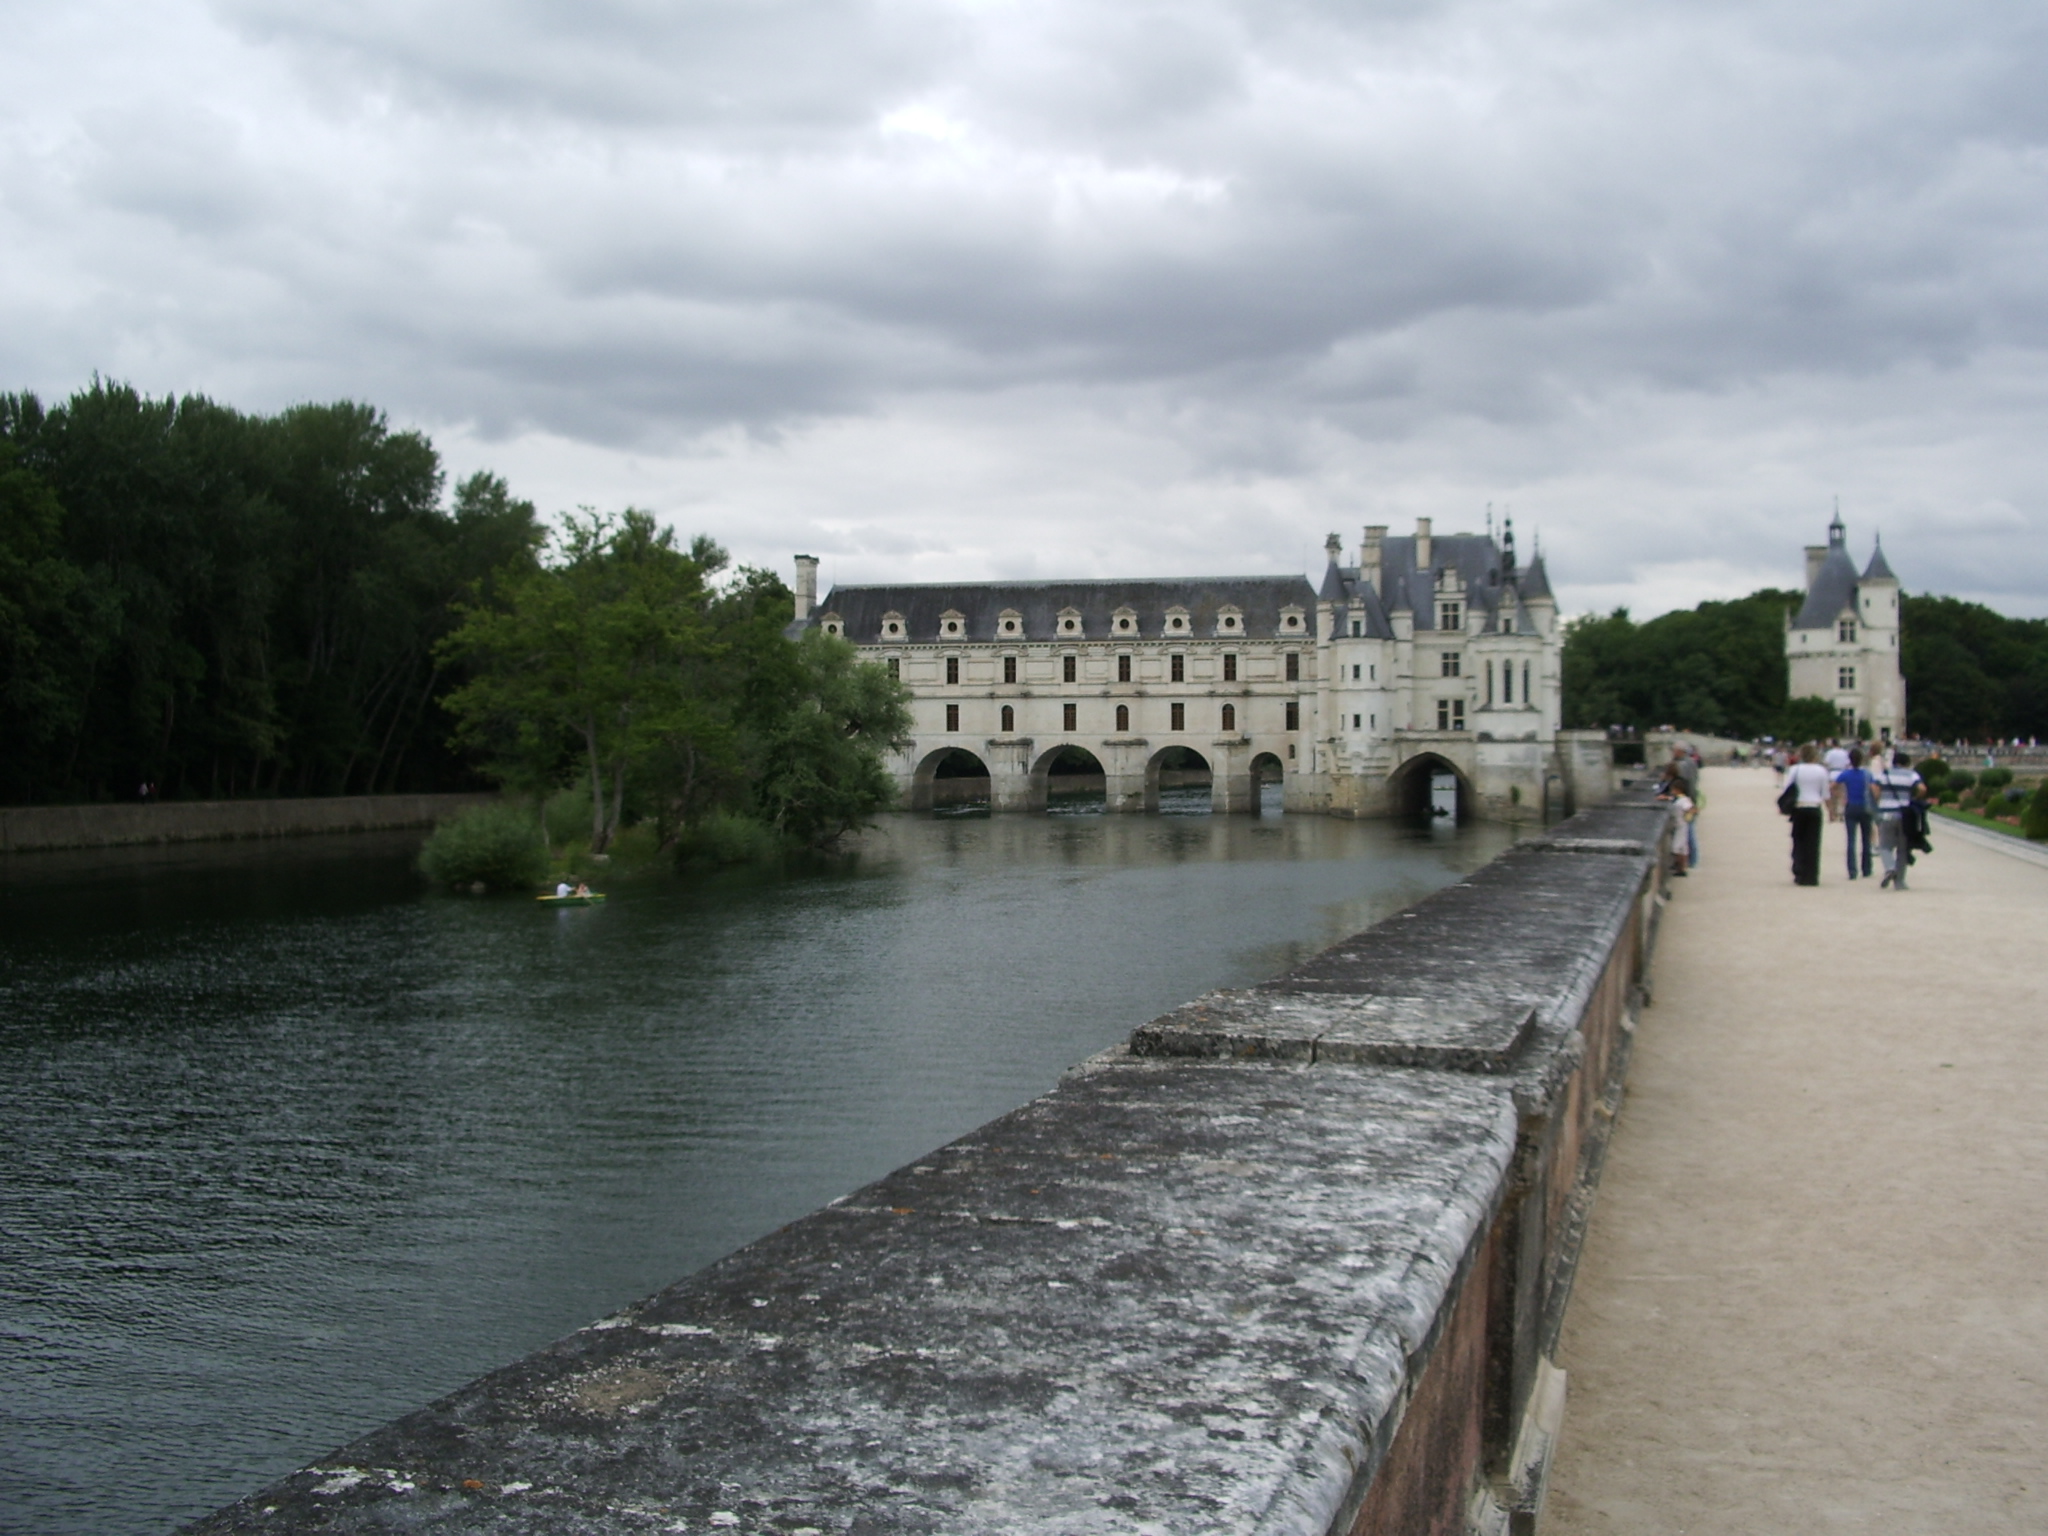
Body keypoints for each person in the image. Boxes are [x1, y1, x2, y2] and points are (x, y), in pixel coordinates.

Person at [1874, 750, 1924, 890]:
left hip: (1887, 813)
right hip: (1904, 815)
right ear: (1907, 763)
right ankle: (1900, 882)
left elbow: (1875, 789)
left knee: (1885, 846)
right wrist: (1914, 799)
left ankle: (1890, 868)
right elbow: (1921, 788)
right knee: (1902, 849)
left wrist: (1880, 800)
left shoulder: (1884, 774)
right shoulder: (1911, 774)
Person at [1786, 744, 1831, 886]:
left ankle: (1799, 871)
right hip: (1814, 807)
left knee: (1798, 841)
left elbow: (1787, 788)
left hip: (1800, 806)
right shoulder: (1821, 771)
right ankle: (1812, 875)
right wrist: (1831, 811)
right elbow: (1825, 793)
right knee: (1813, 843)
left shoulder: (1795, 770)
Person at [1831, 747, 1876, 879]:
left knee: (1851, 840)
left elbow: (1832, 786)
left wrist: (1841, 795)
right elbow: (1874, 790)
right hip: (1865, 807)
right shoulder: (1867, 774)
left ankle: (1852, 870)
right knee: (1866, 839)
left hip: (1851, 806)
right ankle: (1866, 868)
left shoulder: (1846, 774)